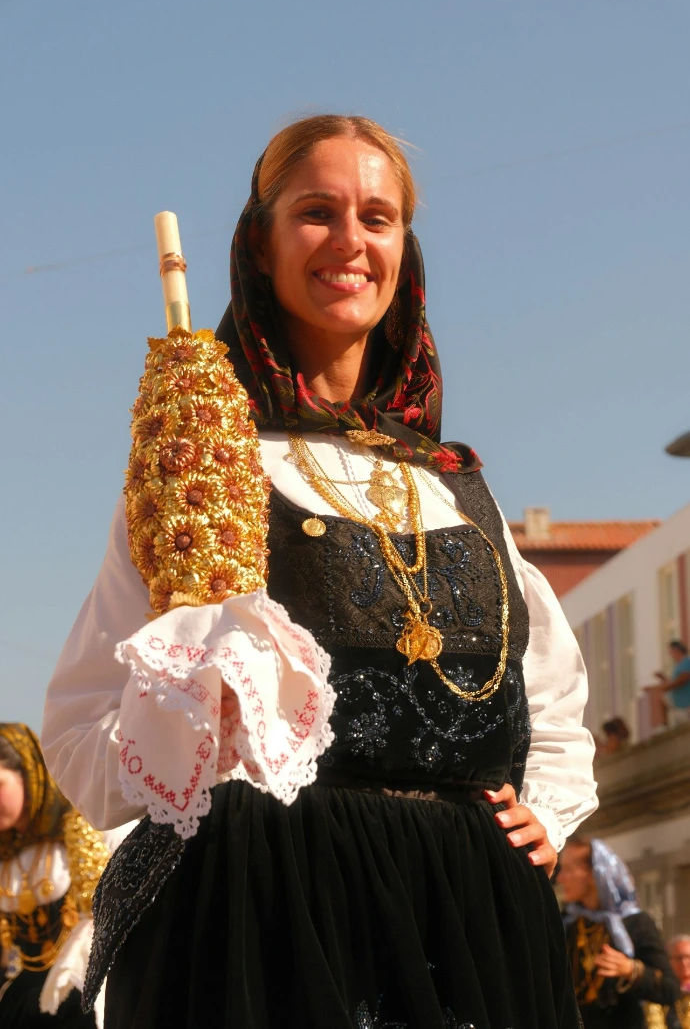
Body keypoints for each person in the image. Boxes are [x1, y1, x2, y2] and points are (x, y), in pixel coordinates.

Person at [42, 114, 598, 1029]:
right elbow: (81, 737)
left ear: (403, 253)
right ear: (258, 246)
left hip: (470, 918)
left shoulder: (457, 487)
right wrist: (191, 718)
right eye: (316, 212)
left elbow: (552, 703)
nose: (349, 241)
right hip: (270, 918)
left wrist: (544, 812)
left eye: (376, 217)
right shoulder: (204, 475)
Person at [0, 724, 109, 1027]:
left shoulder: (76, 830)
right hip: (16, 1001)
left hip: (74, 993)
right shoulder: (4, 853)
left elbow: (100, 921)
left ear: (28, 774)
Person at [559, 835, 678, 1028]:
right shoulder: (567, 922)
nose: (560, 878)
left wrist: (632, 970)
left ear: (594, 874)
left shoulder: (635, 922)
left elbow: (670, 990)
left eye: (569, 869)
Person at [653, 641, 690, 724]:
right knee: (662, 699)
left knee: (661, 697)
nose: (670, 655)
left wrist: (664, 687)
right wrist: (662, 678)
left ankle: (663, 725)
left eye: (670, 651)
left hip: (686, 704)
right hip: (679, 703)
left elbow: (681, 681)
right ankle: (663, 725)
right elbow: (674, 682)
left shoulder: (686, 662)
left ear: (676, 650)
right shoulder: (679, 665)